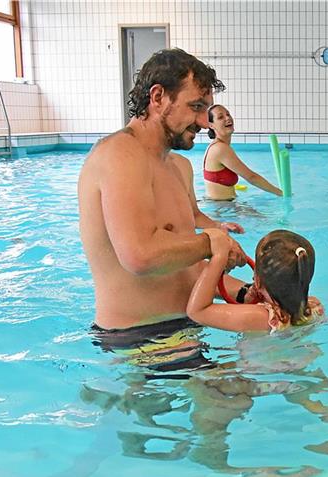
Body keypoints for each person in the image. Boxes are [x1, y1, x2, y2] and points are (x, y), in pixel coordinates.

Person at [78, 48, 249, 332]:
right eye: (195, 107)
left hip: (184, 332)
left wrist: (246, 293)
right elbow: (140, 256)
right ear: (158, 97)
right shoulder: (120, 155)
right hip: (138, 342)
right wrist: (213, 242)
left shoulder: (179, 167)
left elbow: (185, 266)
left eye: (206, 111)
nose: (204, 122)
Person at [187, 229, 324, 332]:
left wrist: (219, 258)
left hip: (260, 369)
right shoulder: (314, 306)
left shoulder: (258, 317)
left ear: (257, 280)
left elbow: (197, 311)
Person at [203, 105, 283, 200]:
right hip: (222, 209)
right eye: (221, 117)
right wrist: (281, 193)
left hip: (223, 205)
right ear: (211, 125)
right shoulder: (220, 148)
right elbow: (251, 177)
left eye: (228, 114)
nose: (228, 118)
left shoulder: (216, 146)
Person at [170, 152, 244, 233]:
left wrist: (219, 225)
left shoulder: (182, 163)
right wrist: (206, 239)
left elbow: (195, 215)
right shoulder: (155, 168)